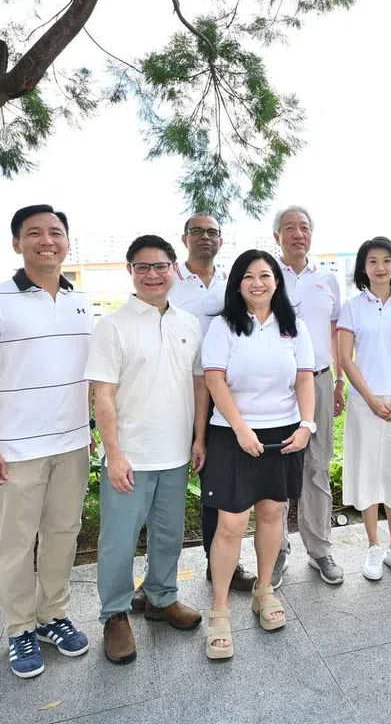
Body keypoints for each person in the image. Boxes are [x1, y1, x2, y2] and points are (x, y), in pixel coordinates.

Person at [0, 204, 94, 679]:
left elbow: (86, 374)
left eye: (55, 232)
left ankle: (52, 615)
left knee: (63, 534)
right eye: (34, 233)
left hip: (71, 445)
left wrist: (87, 429)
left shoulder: (81, 301)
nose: (46, 241)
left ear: (67, 242)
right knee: (15, 543)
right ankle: (19, 629)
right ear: (17, 243)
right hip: (15, 449)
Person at [85, 234, 207, 664]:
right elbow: (102, 394)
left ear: (174, 269)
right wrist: (114, 453)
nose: (152, 274)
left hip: (175, 452)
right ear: (130, 271)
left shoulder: (188, 323)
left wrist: (198, 437)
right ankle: (115, 614)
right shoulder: (112, 326)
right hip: (130, 457)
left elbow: (199, 385)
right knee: (118, 541)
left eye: (160, 266)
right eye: (143, 267)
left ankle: (160, 597)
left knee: (169, 534)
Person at [201, 249, 316, 659]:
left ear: (276, 282)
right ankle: (219, 611)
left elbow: (305, 379)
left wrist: (306, 425)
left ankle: (264, 591)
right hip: (231, 433)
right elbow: (214, 380)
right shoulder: (222, 326)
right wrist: (241, 428)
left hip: (283, 433)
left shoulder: (294, 326)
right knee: (231, 524)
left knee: (271, 514)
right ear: (237, 284)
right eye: (248, 276)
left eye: (265, 275)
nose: (257, 283)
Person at [163, 213, 257, 594]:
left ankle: (219, 564)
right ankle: (157, 578)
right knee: (163, 488)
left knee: (217, 487)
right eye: (197, 231)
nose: (205, 237)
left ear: (222, 239)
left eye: (212, 232)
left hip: (221, 399)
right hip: (173, 394)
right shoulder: (168, 281)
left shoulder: (231, 284)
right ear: (184, 238)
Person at [338, 235, 391, 581]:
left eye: (386, 260)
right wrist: (372, 399)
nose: (380, 267)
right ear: (363, 267)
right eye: (372, 261)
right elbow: (346, 358)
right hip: (365, 403)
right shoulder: (352, 307)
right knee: (368, 471)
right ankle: (374, 546)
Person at [273, 206, 345, 586]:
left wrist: (339, 381)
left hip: (318, 380)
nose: (297, 234)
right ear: (277, 236)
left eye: (304, 227)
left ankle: (319, 549)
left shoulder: (328, 279)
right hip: (277, 384)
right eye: (289, 228)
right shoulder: (267, 275)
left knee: (317, 467)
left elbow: (336, 335)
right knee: (276, 467)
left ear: (311, 235)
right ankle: (276, 551)